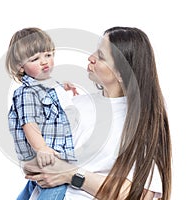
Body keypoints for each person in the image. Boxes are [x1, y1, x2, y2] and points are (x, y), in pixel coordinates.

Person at [23, 27, 172, 200]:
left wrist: (71, 174)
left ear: (121, 73)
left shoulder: (141, 122)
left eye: (101, 56)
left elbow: (141, 196)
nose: (90, 57)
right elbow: (34, 155)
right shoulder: (76, 103)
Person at [6, 27, 79, 200]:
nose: (44, 62)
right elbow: (28, 123)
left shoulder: (46, 84)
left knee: (35, 184)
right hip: (46, 156)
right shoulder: (26, 93)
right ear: (20, 66)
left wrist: (63, 86)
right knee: (56, 186)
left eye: (48, 55)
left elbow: (51, 92)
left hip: (49, 155)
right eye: (35, 59)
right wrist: (42, 148)